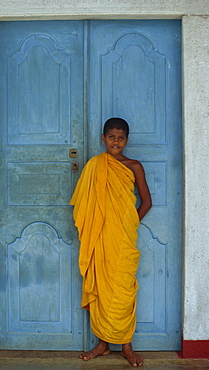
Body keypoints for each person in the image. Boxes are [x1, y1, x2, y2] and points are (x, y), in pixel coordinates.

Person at [70, 117, 152, 367]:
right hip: (100, 237)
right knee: (102, 290)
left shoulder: (134, 166)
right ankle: (103, 344)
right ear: (103, 138)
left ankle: (127, 345)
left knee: (124, 290)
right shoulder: (94, 165)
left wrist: (129, 224)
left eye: (121, 137)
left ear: (127, 140)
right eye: (111, 137)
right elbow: (83, 206)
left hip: (124, 237)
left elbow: (146, 202)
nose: (116, 142)